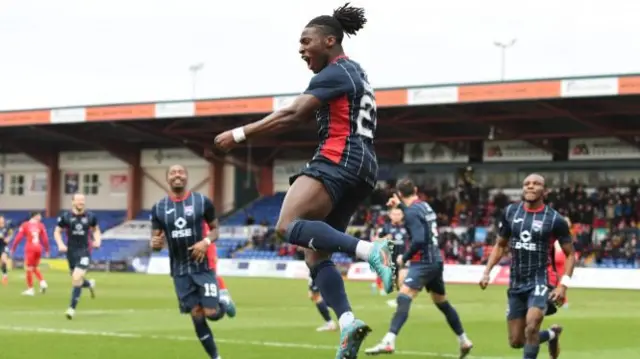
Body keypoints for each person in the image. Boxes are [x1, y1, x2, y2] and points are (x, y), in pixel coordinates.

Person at [214, 4, 393, 358]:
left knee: (287, 225)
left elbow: (293, 113)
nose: (300, 49)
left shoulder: (336, 72)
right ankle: (347, 323)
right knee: (315, 253)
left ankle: (370, 250)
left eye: (306, 41)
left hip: (340, 158)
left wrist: (238, 134)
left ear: (330, 41)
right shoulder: (358, 74)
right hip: (363, 167)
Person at [365, 180, 473, 358]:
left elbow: (419, 239)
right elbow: (415, 216)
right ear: (415, 190)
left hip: (422, 262)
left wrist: (403, 258)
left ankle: (389, 340)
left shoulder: (411, 213)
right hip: (436, 259)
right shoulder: (424, 206)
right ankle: (464, 340)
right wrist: (400, 205)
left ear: (399, 193)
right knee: (442, 303)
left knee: (403, 297)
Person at [479, 173, 576, 359]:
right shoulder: (510, 212)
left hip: (541, 278)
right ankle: (552, 335)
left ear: (544, 191)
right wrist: (486, 272)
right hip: (517, 281)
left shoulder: (555, 219)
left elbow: (571, 254)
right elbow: (500, 245)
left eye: (536, 184)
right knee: (517, 340)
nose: (530, 186)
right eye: (527, 184)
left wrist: (563, 285)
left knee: (532, 325)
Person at [150, 164, 236, 359]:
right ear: (168, 179)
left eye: (181, 172)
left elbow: (215, 230)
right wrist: (155, 243)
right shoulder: (159, 208)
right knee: (196, 314)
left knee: (211, 312)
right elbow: (156, 242)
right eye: (173, 173)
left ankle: (223, 300)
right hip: (179, 270)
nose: (177, 175)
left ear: (186, 177)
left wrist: (205, 242)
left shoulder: (202, 202)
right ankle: (215, 357)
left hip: (202, 267)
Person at [54, 193, 101, 319]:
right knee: (76, 279)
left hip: (85, 250)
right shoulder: (66, 216)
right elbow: (57, 231)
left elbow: (96, 229)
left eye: (83, 200)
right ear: (73, 202)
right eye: (78, 200)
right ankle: (89, 283)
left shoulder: (91, 216)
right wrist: (60, 244)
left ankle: (71, 308)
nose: (81, 202)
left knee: (76, 276)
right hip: (71, 252)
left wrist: (98, 240)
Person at [374, 207, 410, 307]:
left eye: (398, 214)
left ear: (402, 215)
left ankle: (399, 300)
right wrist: (386, 238)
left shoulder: (407, 227)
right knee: (392, 279)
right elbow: (377, 241)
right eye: (394, 214)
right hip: (389, 257)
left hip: (402, 256)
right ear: (390, 215)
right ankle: (386, 290)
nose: (396, 216)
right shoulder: (386, 227)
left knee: (402, 278)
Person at [10, 212, 50, 296]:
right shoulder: (41, 225)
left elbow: (18, 237)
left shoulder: (25, 225)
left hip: (30, 248)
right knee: (34, 267)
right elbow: (45, 238)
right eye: (39, 215)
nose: (41, 217)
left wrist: (13, 248)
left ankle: (30, 289)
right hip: (39, 248)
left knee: (29, 268)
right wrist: (46, 249)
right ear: (34, 216)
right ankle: (42, 282)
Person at [204, 222, 234, 304]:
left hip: (208, 251)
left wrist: (213, 254)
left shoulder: (205, 224)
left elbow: (211, 238)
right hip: (205, 251)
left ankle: (224, 296)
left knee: (212, 275)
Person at [0, 216, 13, 285]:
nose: (1, 220)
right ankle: (4, 273)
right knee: (1, 263)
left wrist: (8, 238)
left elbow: (11, 234)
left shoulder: (7, 227)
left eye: (2, 219)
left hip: (3, 246)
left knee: (4, 260)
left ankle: (5, 276)